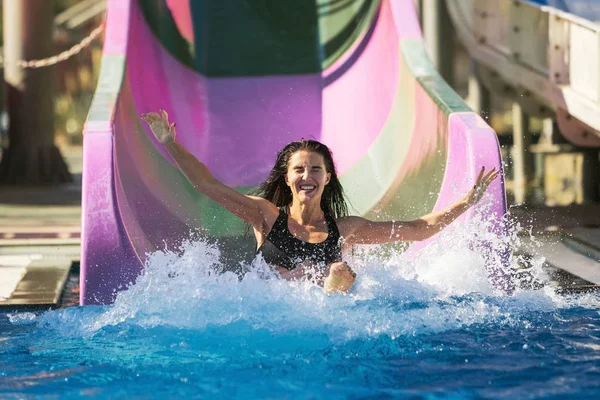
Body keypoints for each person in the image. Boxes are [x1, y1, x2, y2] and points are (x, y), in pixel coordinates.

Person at [141, 110, 499, 294]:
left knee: (340, 274)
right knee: (322, 275)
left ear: (328, 177)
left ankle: (335, 292)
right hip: (269, 309)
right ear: (287, 177)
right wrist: (169, 142)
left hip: (321, 315)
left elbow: (420, 230)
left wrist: (467, 201)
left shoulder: (346, 230)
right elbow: (207, 185)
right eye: (299, 169)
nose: (307, 176)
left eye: (316, 169)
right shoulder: (264, 216)